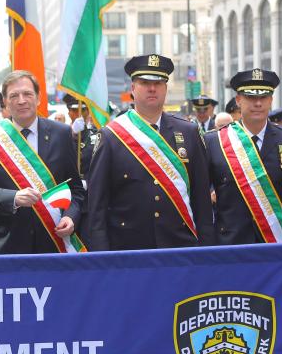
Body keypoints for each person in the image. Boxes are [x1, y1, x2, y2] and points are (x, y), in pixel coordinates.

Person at [86, 54, 213, 251]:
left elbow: (201, 199)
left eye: (159, 82)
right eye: (144, 82)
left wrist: (207, 250)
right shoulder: (112, 135)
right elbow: (97, 206)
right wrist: (101, 257)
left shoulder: (189, 132)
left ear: (166, 88)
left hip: (180, 246)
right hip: (128, 249)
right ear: (132, 89)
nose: (152, 88)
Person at [0, 70, 85, 254]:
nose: (21, 100)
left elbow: (76, 190)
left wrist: (71, 217)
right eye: (14, 96)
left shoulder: (61, 133)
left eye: (27, 94)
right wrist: (14, 198)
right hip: (6, 244)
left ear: (38, 98)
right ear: (6, 102)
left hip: (54, 241)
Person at [206, 68, 282, 245]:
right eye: (250, 97)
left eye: (264, 97)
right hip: (231, 245)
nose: (258, 103)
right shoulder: (214, 142)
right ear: (238, 100)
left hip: (280, 245)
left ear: (271, 100)